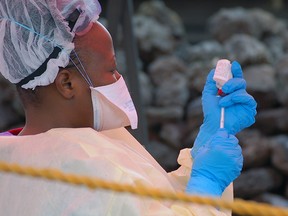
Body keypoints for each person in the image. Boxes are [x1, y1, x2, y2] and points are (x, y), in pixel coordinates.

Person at [0, 0, 257, 215]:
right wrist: (208, 183)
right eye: (111, 70)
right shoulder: (86, 170)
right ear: (67, 83)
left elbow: (157, 204)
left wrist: (204, 147)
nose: (118, 79)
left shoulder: (15, 157)